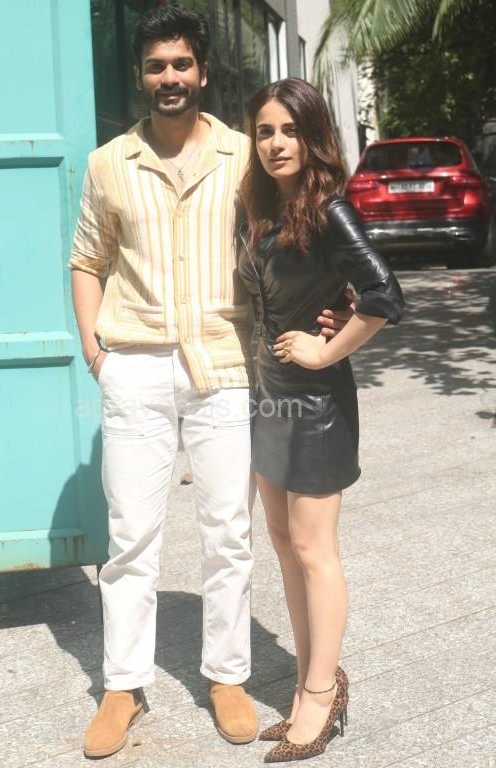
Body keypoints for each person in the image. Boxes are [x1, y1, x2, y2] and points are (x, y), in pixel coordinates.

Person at [69, 5, 259, 758]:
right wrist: (97, 353)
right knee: (130, 537)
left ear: (202, 72)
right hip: (136, 365)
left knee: (229, 532)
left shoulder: (243, 156)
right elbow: (87, 260)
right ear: (140, 76)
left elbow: (278, 244)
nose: (169, 77)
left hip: (223, 364)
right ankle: (123, 686)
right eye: (156, 66)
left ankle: (227, 675)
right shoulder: (108, 163)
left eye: (182, 63)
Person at [237, 78, 404, 763]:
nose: (276, 143)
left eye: (290, 130)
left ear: (313, 138)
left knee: (313, 549)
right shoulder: (262, 207)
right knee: (282, 542)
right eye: (265, 131)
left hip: (315, 402)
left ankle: (319, 694)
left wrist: (327, 348)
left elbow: (385, 294)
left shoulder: (331, 210)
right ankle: (313, 676)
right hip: (268, 395)